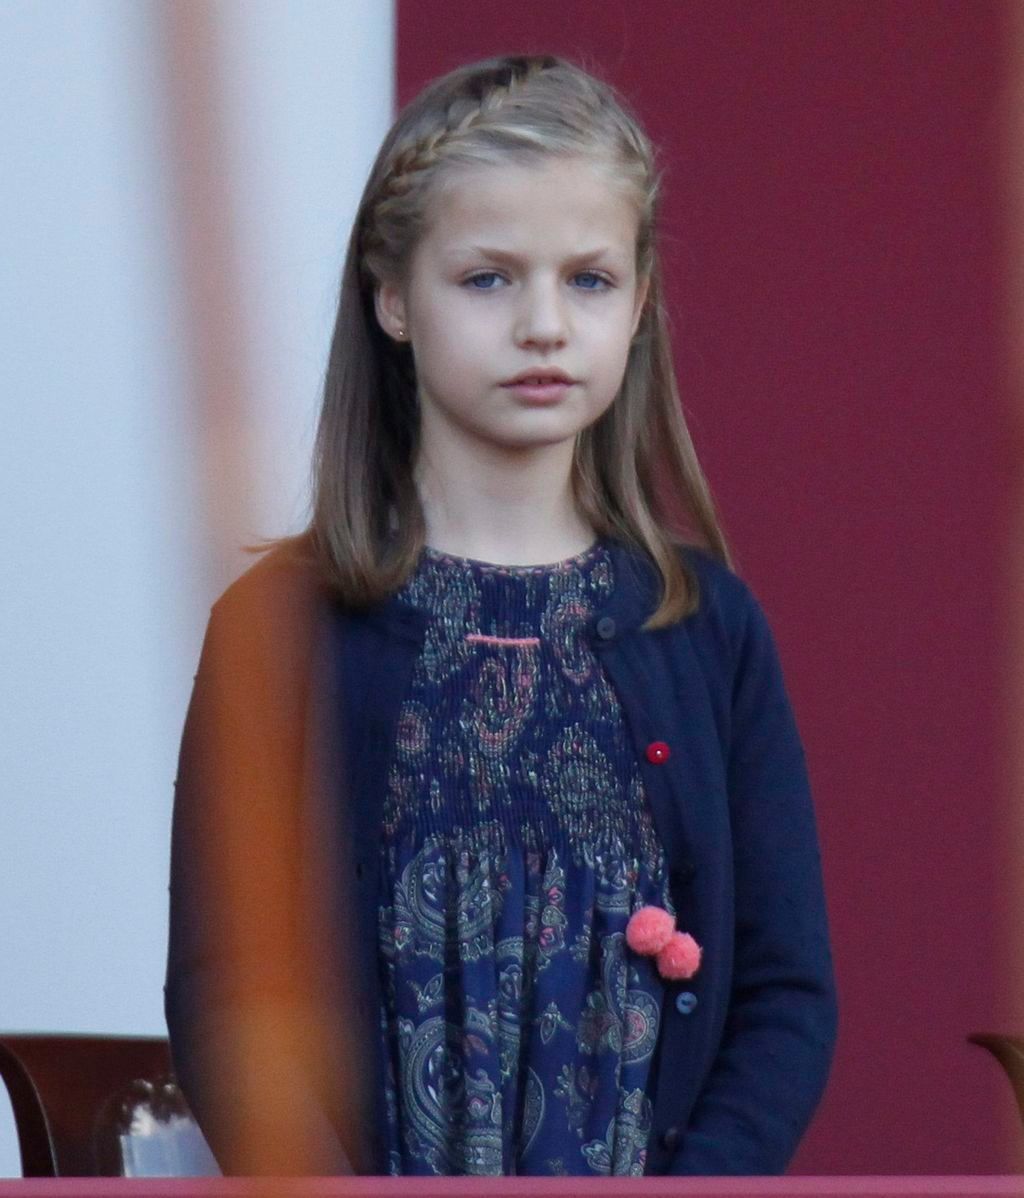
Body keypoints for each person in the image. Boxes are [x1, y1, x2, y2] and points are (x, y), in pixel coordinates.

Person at [165, 53, 837, 1178]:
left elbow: (784, 992)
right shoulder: (274, 631)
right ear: (390, 296)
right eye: (485, 278)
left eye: (588, 279)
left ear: (639, 303)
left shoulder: (710, 628)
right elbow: (229, 991)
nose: (542, 323)